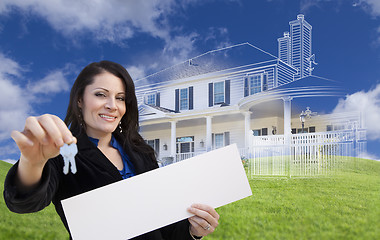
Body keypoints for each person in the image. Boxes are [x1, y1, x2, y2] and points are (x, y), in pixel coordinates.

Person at [3, 60, 219, 240]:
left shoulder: (140, 151)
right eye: (100, 94)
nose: (112, 105)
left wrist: (193, 232)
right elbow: (24, 203)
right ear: (80, 100)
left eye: (120, 98)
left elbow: (163, 224)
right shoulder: (61, 152)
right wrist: (32, 162)